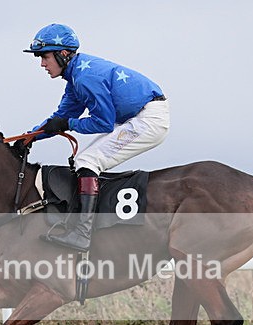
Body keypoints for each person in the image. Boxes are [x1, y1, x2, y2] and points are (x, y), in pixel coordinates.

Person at [22, 23, 170, 252]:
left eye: (44, 56)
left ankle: (82, 234)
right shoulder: (75, 77)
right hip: (137, 117)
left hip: (148, 119)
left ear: (62, 54)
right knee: (84, 159)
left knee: (88, 161)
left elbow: (102, 122)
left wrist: (69, 124)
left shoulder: (84, 78)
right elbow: (61, 116)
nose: (42, 64)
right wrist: (30, 137)